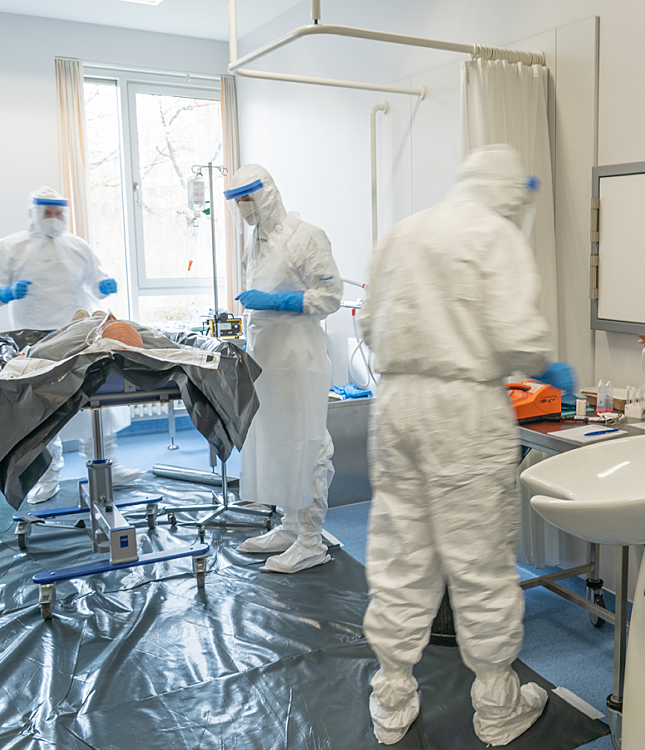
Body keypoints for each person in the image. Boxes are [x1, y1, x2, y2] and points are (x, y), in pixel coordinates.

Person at [358, 143, 575, 746]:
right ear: (509, 192)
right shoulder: (494, 234)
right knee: (479, 558)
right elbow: (518, 337)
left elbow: (368, 323)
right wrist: (546, 366)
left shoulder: (403, 233)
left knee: (400, 548)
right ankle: (498, 706)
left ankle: (392, 695)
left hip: (395, 404)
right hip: (463, 407)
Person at [0, 186, 138, 503]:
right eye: (47, 212)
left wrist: (103, 286)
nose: (54, 218)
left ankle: (106, 464)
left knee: (96, 403)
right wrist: (5, 293)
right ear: (34, 213)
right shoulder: (9, 248)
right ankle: (48, 475)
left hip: (78, 335)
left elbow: (95, 279)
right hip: (34, 339)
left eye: (59, 212)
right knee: (42, 411)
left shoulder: (77, 246)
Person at [226, 164, 341, 575]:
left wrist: (280, 302)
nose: (244, 207)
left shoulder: (306, 237)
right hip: (268, 359)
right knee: (276, 442)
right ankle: (291, 526)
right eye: (237, 201)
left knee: (306, 443)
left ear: (267, 194)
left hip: (298, 359)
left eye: (248, 197)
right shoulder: (255, 243)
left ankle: (310, 540)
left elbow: (331, 296)